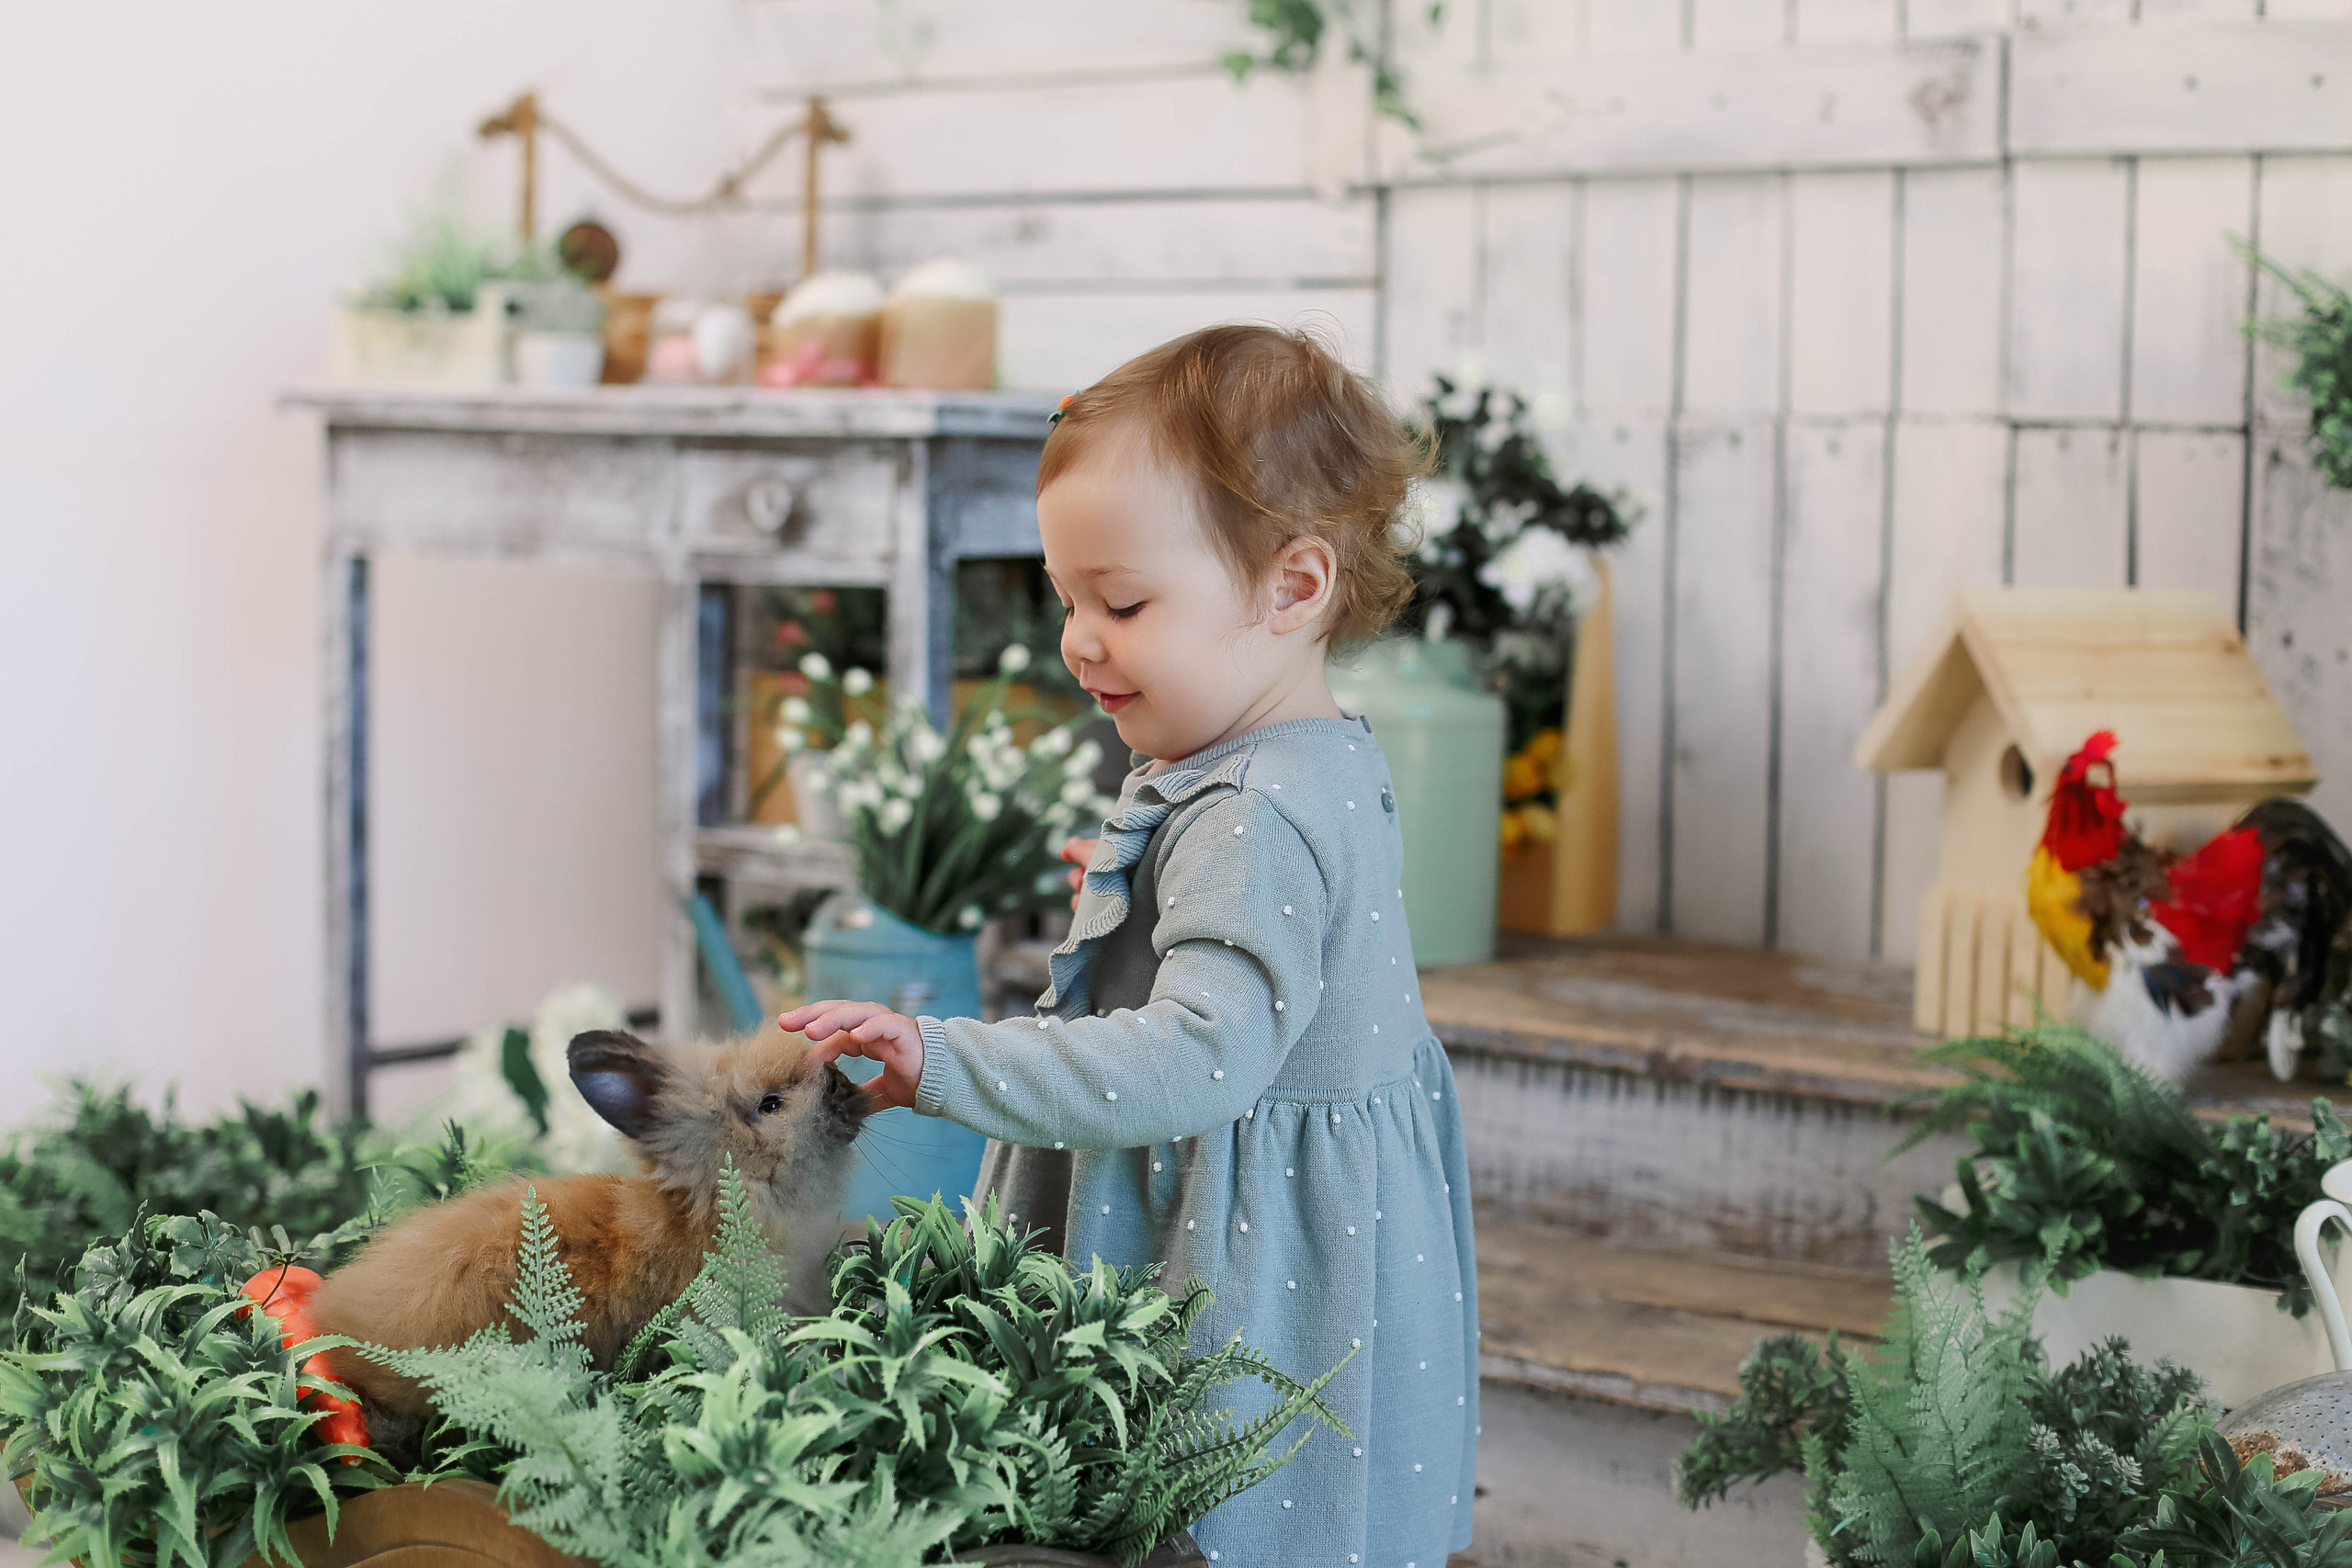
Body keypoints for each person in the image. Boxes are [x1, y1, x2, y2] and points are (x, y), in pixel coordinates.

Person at [780, 323, 1477, 1566]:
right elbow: (1290, 962)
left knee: (1207, 1518)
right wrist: (1149, 909)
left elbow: (1203, 1056)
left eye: (1124, 601)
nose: (1081, 641)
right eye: (1068, 600)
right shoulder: (1311, 757)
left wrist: (946, 1061)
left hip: (1241, 1256)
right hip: (1334, 1229)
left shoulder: (1248, 812)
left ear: (1294, 586)